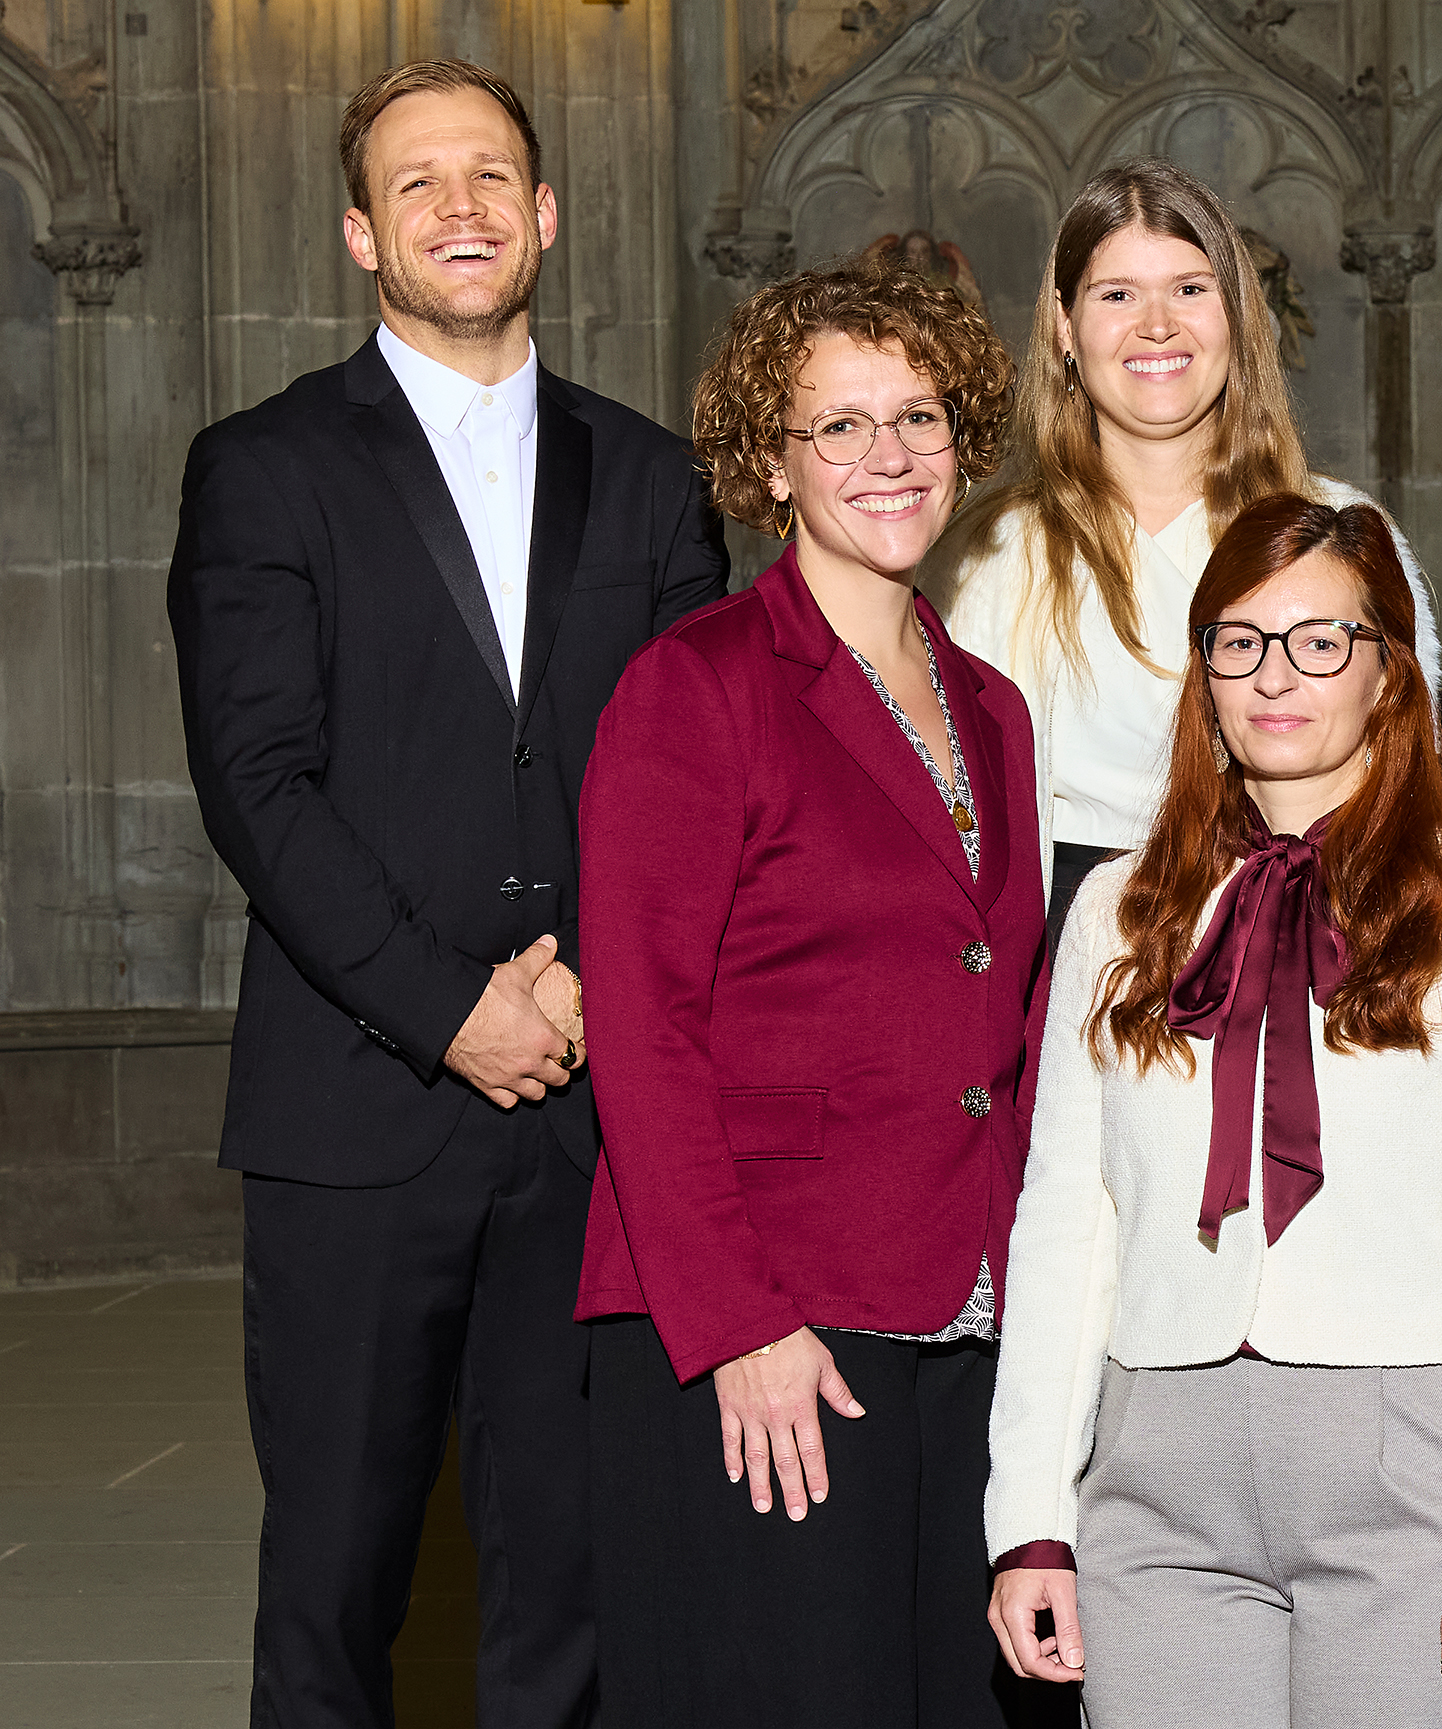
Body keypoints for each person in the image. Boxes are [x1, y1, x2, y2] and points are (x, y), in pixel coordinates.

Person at [164, 58, 727, 1727]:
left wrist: (580, 990)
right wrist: (451, 1005)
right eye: (416, 183)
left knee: (574, 1584)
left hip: (593, 1114)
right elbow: (258, 785)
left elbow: (689, 780)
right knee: (334, 1587)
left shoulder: (653, 475)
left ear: (544, 214)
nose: (459, 206)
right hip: (356, 1111)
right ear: (362, 234)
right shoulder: (264, 466)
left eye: (489, 175)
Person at [983, 496, 1442, 1726]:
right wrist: (1031, 1519)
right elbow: (1065, 1227)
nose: (1277, 675)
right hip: (1156, 1481)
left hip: (1412, 1469)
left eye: (1322, 640)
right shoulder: (1115, 911)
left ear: (1388, 674)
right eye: (1242, 640)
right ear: (1205, 671)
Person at [571, 261, 1050, 1729]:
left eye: (918, 416)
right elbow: (641, 1031)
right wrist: (738, 1325)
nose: (886, 455)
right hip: (772, 1325)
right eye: (838, 425)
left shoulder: (992, 707)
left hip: (966, 1313)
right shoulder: (697, 683)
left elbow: (1000, 1012)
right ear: (770, 465)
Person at [940, 158, 1442, 941]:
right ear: (1066, 327)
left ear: (1236, 315)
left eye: (1190, 288)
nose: (1157, 324)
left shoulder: (1339, 527)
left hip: (1301, 926)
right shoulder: (985, 553)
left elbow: (1403, 775)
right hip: (1060, 939)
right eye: (1117, 295)